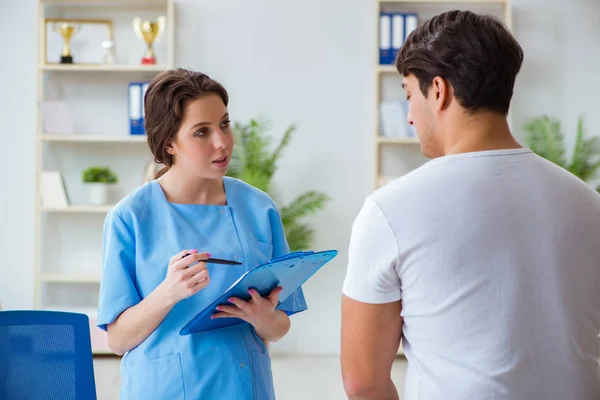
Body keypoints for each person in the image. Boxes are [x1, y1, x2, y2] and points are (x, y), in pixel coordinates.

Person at [341, 10, 600, 400]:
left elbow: (363, 381)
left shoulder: (390, 211)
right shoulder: (586, 201)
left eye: (410, 95)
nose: (409, 116)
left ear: (439, 91)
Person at [96, 68, 307, 400]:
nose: (222, 142)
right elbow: (118, 340)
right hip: (162, 389)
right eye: (201, 132)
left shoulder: (259, 208)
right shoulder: (130, 217)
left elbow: (280, 327)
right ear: (169, 142)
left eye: (224, 123)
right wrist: (168, 292)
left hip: (244, 387)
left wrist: (263, 318)